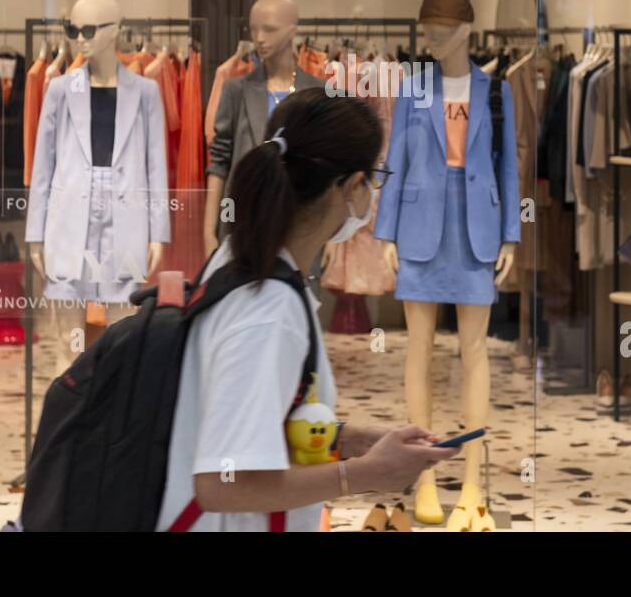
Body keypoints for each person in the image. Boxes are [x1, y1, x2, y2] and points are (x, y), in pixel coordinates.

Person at [158, 87, 458, 531]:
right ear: (352, 186)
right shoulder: (268, 310)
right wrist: (366, 474)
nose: (373, 193)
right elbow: (221, 484)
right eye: (375, 176)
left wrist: (348, 439)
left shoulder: (241, 262)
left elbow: (248, 416)